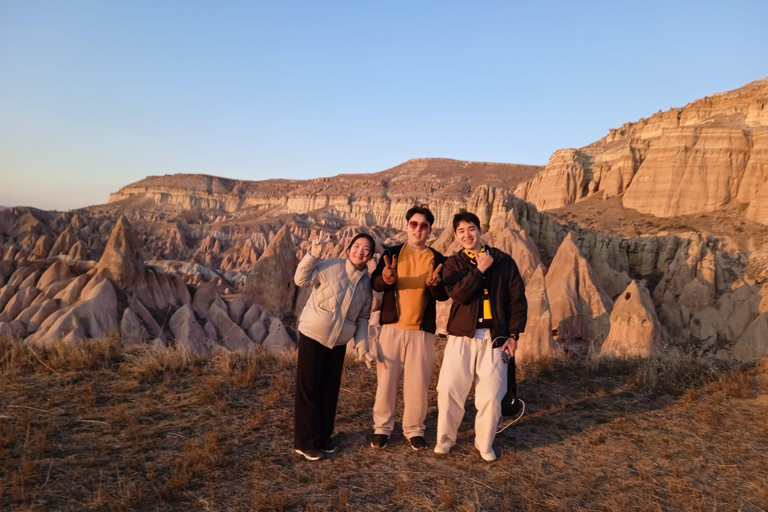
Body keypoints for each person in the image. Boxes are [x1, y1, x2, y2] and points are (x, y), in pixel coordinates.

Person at [434, 212, 527, 462]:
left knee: (491, 393)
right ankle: (445, 439)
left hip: (494, 338)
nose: (467, 234)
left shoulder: (503, 261)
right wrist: (479, 270)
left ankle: (484, 443)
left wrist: (514, 335)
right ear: (455, 236)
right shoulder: (453, 263)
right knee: (449, 389)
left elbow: (517, 299)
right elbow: (460, 295)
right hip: (461, 337)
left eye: (471, 228)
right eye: (461, 231)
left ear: (480, 229)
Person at [370, 205, 448, 450]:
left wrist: (434, 285)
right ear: (406, 226)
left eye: (423, 225)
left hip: (421, 331)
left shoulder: (437, 259)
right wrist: (387, 279)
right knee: (386, 381)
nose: (418, 229)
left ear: (430, 231)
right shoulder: (391, 254)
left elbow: (442, 294)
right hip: (391, 328)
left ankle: (414, 429)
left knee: (418, 383)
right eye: (414, 224)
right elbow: (376, 283)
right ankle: (382, 428)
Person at [293, 233, 376, 461]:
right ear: (349, 248)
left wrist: (362, 346)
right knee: (309, 388)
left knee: (329, 390)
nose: (360, 251)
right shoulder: (330, 266)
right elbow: (301, 280)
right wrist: (313, 254)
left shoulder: (366, 285)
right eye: (357, 246)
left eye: (366, 249)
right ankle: (305, 442)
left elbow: (362, 319)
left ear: (370, 256)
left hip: (339, 341)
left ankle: (323, 437)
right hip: (313, 334)